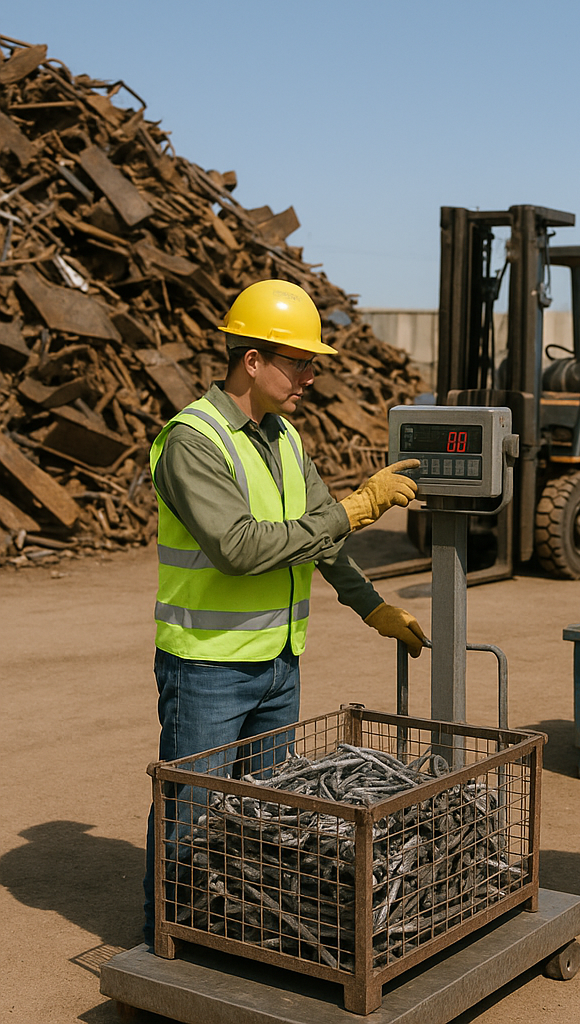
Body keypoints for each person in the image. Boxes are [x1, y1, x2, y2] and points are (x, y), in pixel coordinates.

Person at [142, 279, 427, 944]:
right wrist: (356, 507)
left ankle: (241, 940)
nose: (309, 378)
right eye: (299, 362)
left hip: (278, 666)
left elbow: (320, 537)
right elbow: (240, 549)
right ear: (251, 360)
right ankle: (164, 948)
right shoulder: (194, 440)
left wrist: (372, 606)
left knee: (266, 826)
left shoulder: (284, 438)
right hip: (208, 668)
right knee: (191, 819)